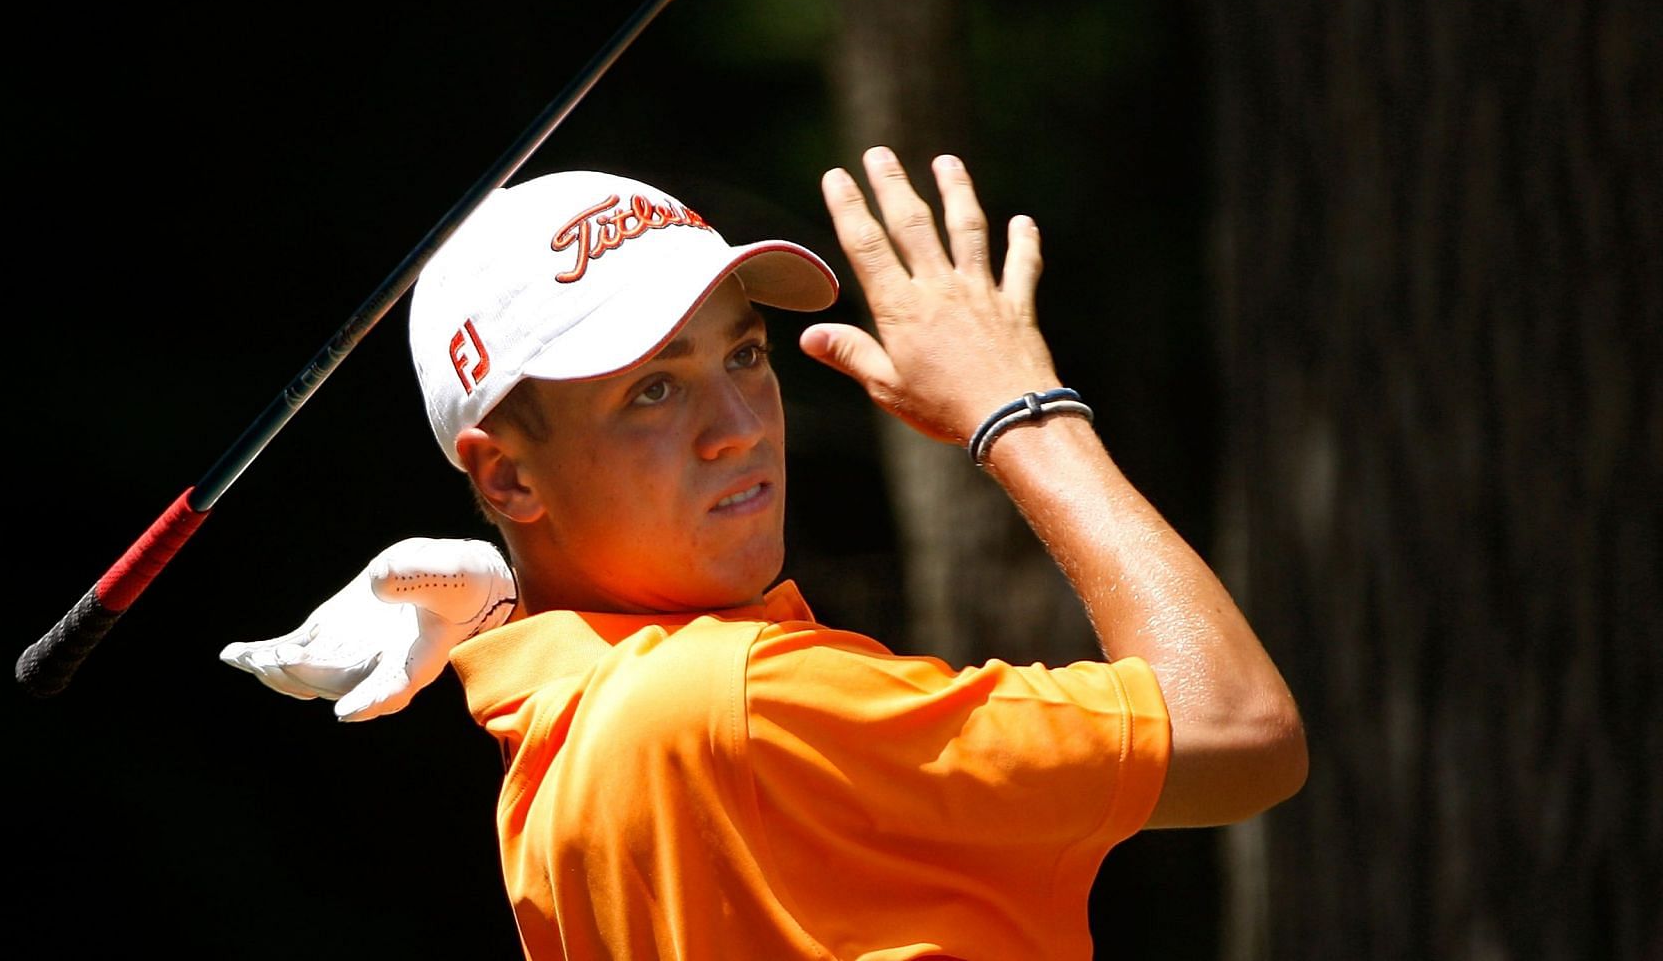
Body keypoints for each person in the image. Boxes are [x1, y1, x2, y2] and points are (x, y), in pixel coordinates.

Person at [221, 147, 1307, 961]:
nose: (739, 421)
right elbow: (1240, 729)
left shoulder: (555, 732)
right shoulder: (733, 702)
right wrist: (1018, 406)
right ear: (504, 477)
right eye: (651, 387)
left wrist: (521, 599)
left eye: (744, 351)